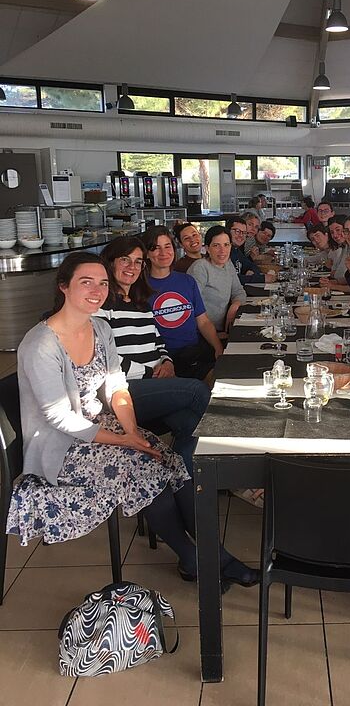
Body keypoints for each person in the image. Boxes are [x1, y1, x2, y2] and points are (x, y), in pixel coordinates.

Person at [7, 251, 257, 589]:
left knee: (170, 463)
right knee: (145, 471)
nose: (96, 291)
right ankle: (198, 560)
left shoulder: (99, 327)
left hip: (103, 427)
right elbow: (59, 417)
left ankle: (212, 558)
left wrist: (131, 430)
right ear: (64, 286)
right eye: (86, 282)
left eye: (102, 283)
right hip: (62, 448)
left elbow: (116, 386)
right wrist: (125, 440)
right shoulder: (40, 344)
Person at [97, 236, 209, 475]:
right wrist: (151, 373)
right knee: (197, 390)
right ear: (110, 262)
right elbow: (106, 359)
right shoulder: (101, 305)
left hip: (154, 383)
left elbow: (158, 341)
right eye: (125, 260)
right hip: (124, 390)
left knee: (191, 424)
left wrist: (167, 362)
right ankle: (240, 459)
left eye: (138, 262)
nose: (132, 267)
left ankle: (180, 480)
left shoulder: (141, 303)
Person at [143, 226, 223, 380]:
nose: (163, 253)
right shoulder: (141, 287)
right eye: (156, 248)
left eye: (167, 246)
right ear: (147, 253)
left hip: (194, 354)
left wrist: (218, 348)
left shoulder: (187, 281)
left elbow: (203, 321)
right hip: (162, 361)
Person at [188, 225, 247, 334]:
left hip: (225, 329)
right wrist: (213, 336)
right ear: (207, 249)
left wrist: (234, 306)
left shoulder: (228, 264)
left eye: (226, 245)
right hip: (204, 334)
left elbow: (238, 291)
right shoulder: (200, 268)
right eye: (216, 245)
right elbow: (191, 306)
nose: (222, 250)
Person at [227, 216, 277, 284]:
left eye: (244, 233)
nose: (241, 235)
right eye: (237, 231)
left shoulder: (236, 250)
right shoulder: (224, 252)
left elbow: (252, 266)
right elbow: (231, 279)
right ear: (227, 231)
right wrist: (261, 278)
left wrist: (252, 272)